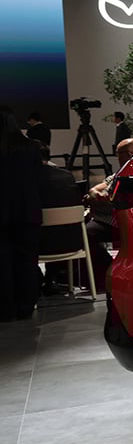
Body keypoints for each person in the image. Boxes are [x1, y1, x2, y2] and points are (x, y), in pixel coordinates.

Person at [84, 137, 133, 289]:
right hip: (105, 217)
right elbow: (98, 188)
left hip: (121, 221)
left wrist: (101, 199)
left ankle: (106, 273)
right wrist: (94, 193)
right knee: (81, 230)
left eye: (119, 153)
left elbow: (119, 200)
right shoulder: (120, 173)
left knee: (85, 234)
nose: (117, 157)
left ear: (130, 153)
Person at [0, 105, 42, 322]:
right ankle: (25, 306)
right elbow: (38, 180)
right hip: (27, 211)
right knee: (27, 260)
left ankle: (5, 309)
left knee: (2, 262)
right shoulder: (31, 147)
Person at [31, 140, 83, 294]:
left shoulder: (27, 179)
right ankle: (51, 279)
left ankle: (33, 280)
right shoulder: (67, 175)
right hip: (72, 242)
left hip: (39, 246)